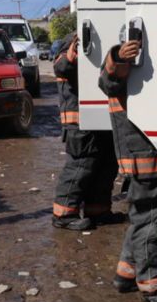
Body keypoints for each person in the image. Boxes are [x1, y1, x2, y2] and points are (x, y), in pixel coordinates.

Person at [98, 37, 157, 302]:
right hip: (146, 155)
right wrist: (120, 59)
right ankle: (151, 284)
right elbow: (108, 81)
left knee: (142, 217)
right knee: (152, 219)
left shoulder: (144, 64)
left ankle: (126, 273)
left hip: (148, 152)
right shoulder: (128, 64)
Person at [52, 32, 122, 231]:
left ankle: (97, 211)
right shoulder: (75, 40)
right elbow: (61, 66)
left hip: (101, 119)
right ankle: (63, 215)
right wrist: (71, 55)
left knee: (105, 167)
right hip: (80, 123)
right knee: (80, 167)